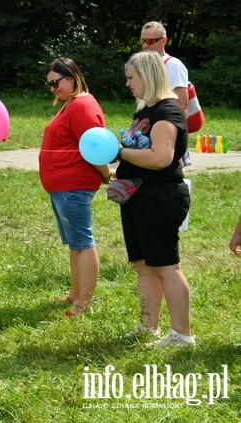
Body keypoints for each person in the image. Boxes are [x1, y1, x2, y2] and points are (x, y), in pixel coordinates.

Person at [117, 51, 193, 347]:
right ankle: (149, 326)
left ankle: (182, 335)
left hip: (160, 198)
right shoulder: (144, 112)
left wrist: (119, 152)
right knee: (143, 265)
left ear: (147, 76)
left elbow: (161, 157)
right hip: (138, 198)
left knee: (165, 266)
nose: (127, 83)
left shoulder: (168, 111)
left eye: (131, 77)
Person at [39, 57, 111, 317]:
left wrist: (106, 175)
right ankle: (75, 294)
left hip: (73, 185)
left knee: (83, 242)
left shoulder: (82, 105)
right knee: (75, 244)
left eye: (56, 82)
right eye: (50, 85)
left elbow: (95, 146)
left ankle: (84, 303)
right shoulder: (70, 103)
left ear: (71, 77)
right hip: (62, 186)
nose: (53, 89)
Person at [141, 21, 191, 166]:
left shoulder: (173, 65)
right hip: (151, 126)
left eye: (150, 41)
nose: (145, 45)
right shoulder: (146, 65)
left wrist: (177, 142)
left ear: (163, 41)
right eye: (142, 41)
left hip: (169, 130)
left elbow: (181, 105)